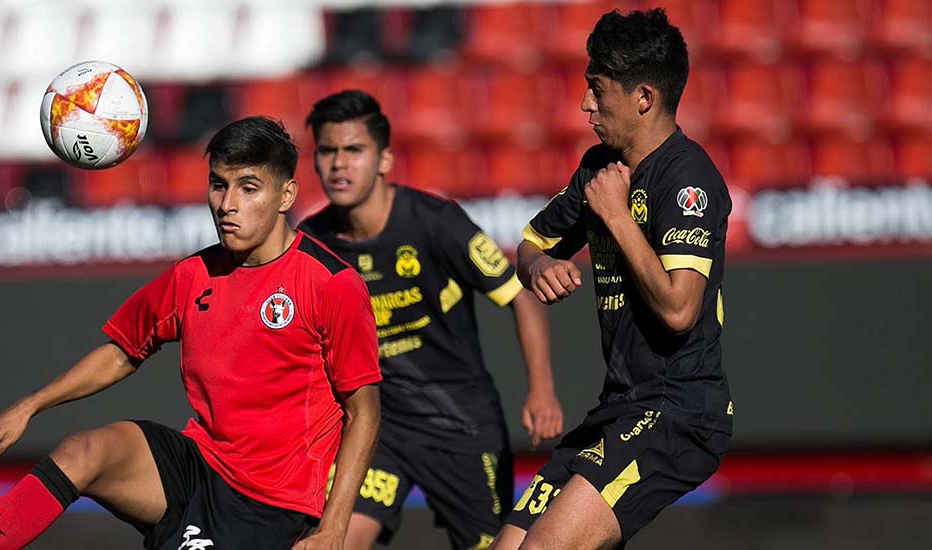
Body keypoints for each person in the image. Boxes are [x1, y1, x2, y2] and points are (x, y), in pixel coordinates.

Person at [0, 116, 382, 550]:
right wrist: (29, 407)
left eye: (248, 188)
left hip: (268, 506)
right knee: (82, 451)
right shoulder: (192, 275)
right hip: (194, 466)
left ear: (285, 195)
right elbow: (121, 351)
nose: (227, 204)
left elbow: (363, 412)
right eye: (218, 185)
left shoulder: (332, 284)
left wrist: (334, 528)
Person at [490, 9, 733, 550]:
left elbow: (679, 310)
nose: (585, 104)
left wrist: (618, 217)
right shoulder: (598, 168)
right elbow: (529, 246)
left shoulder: (687, 178)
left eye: (597, 89)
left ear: (644, 97)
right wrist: (539, 267)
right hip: (619, 407)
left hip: (677, 411)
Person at [298, 90, 564, 550]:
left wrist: (541, 390)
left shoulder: (436, 222)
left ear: (384, 159)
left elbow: (520, 297)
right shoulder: (311, 243)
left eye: (354, 150)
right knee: (335, 540)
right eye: (327, 151)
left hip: (460, 425)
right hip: (377, 430)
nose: (339, 164)